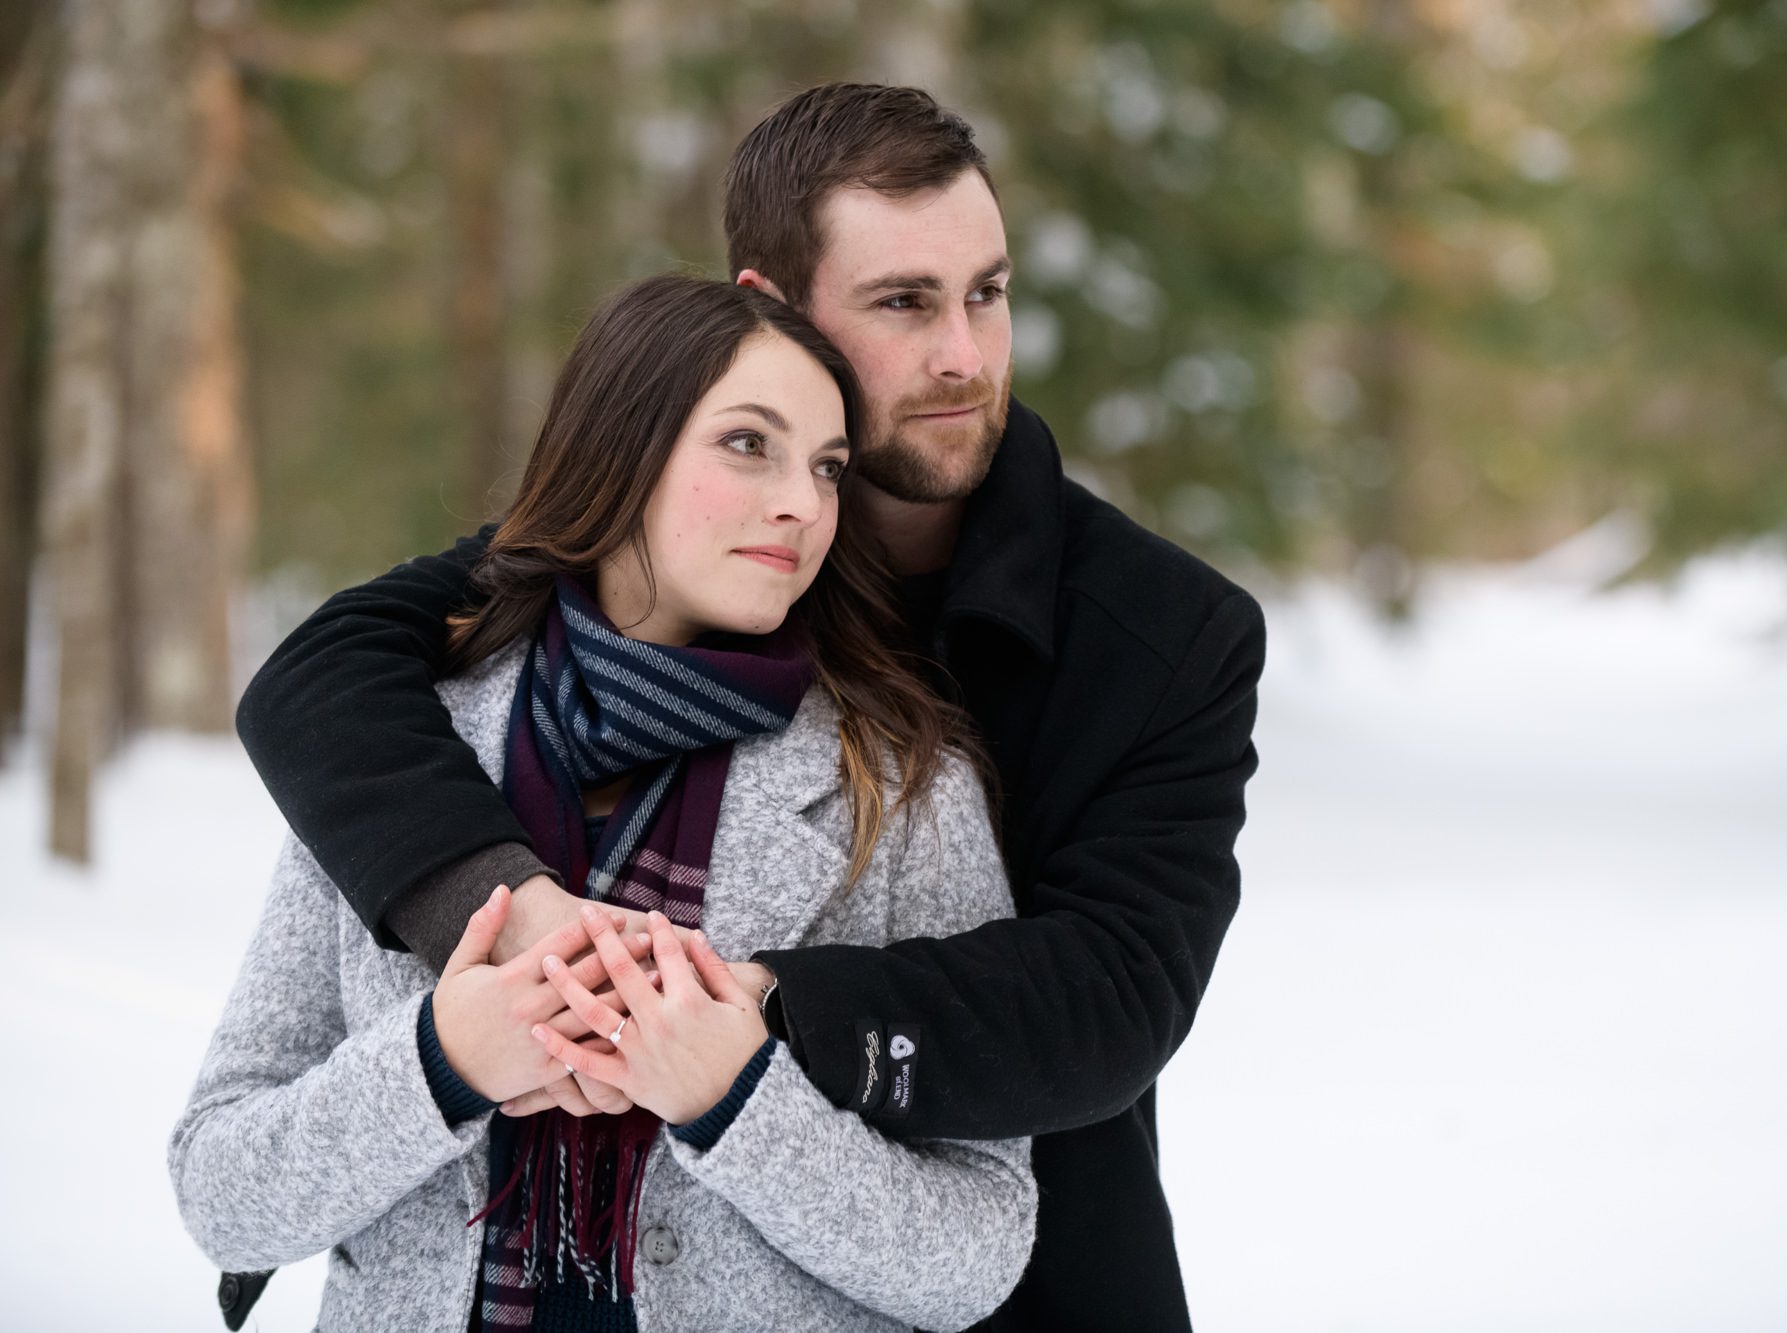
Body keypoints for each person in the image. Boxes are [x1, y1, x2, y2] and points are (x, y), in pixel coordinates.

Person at [234, 83, 1263, 1331]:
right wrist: (509, 928)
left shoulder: (1158, 636)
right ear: (766, 306)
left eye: (986, 293)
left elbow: (1111, 999)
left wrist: (736, 1019)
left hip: (1039, 1284)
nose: (964, 356)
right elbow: (323, 673)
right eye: (903, 302)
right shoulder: (626, 570)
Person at [171, 275, 1035, 1332]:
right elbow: (220, 1192)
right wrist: (443, 1061)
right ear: (621, 450)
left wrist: (735, 1100)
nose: (802, 504)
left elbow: (977, 1251)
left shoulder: (896, 788)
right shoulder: (397, 750)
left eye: (826, 468)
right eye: (748, 444)